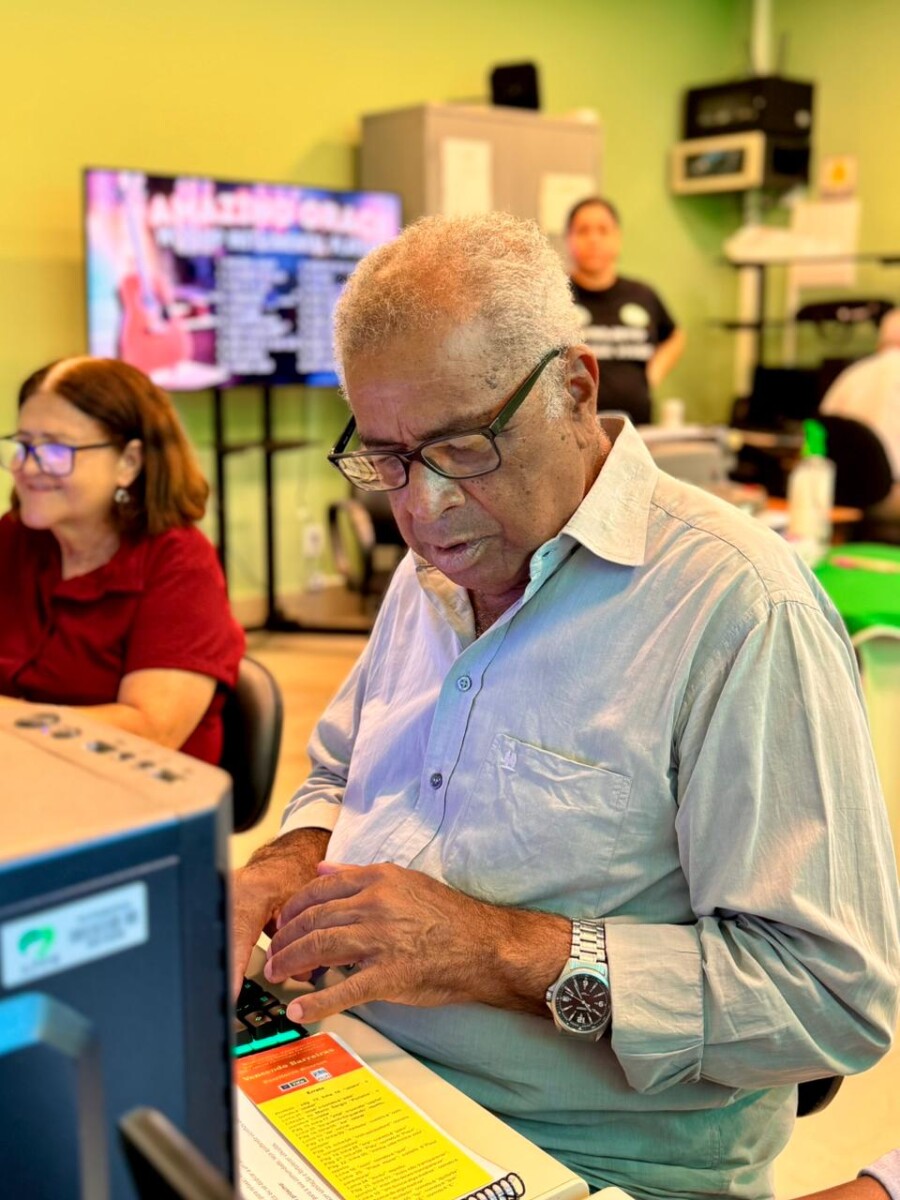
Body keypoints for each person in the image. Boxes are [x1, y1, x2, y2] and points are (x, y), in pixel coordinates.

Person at [231, 213, 899, 1200]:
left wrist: (491, 952)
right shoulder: (435, 570)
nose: (422, 508)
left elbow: (832, 1000)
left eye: (462, 448)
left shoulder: (736, 607)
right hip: (360, 1079)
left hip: (571, 1157)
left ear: (576, 389)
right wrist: (287, 862)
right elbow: (341, 767)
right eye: (386, 460)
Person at [0, 355, 245, 763]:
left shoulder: (180, 563)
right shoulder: (15, 537)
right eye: (23, 445)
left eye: (56, 449)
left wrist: (10, 722)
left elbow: (151, 731)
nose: (27, 466)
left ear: (129, 462)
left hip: (136, 791)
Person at [566, 196, 684, 424]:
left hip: (637, 428)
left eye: (603, 230)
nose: (593, 239)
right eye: (583, 231)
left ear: (617, 238)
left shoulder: (643, 295)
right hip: (574, 430)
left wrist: (651, 376)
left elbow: (675, 336)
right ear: (569, 239)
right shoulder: (554, 296)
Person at [819, 307, 900, 482]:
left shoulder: (852, 374)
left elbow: (817, 430)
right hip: (894, 487)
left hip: (846, 485)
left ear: (880, 342)